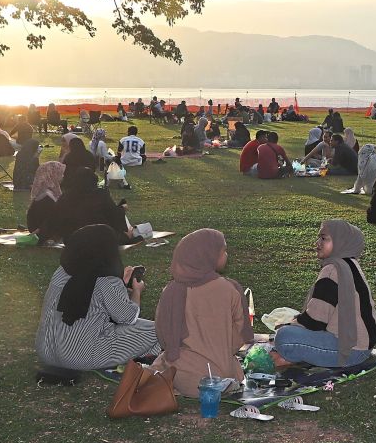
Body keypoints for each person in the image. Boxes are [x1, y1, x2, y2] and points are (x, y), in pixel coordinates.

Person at [35, 224, 159, 371]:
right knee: (160, 330)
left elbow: (87, 296)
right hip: (79, 357)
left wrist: (121, 285)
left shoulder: (61, 272)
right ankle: (147, 359)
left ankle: (138, 358)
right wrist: (136, 291)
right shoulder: (105, 279)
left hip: (46, 351)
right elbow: (128, 318)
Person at [150, 228, 252, 397]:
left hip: (186, 379)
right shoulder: (230, 288)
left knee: (161, 361)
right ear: (208, 256)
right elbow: (240, 336)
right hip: (226, 374)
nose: (226, 255)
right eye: (223, 251)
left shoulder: (172, 291)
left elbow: (163, 336)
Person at [272, 220, 376, 369]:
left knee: (284, 337)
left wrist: (289, 325)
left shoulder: (332, 270)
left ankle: (289, 358)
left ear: (341, 241)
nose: (317, 243)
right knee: (293, 328)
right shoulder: (350, 264)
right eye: (319, 238)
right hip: (363, 347)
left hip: (349, 352)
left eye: (324, 238)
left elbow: (315, 322)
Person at [27, 161, 66, 236]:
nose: (63, 176)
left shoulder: (45, 191)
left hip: (40, 227)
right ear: (52, 174)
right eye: (60, 173)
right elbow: (49, 218)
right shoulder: (47, 196)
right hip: (41, 230)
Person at [12, 124, 41, 191]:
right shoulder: (33, 158)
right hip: (27, 183)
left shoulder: (19, 154)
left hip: (17, 183)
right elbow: (36, 171)